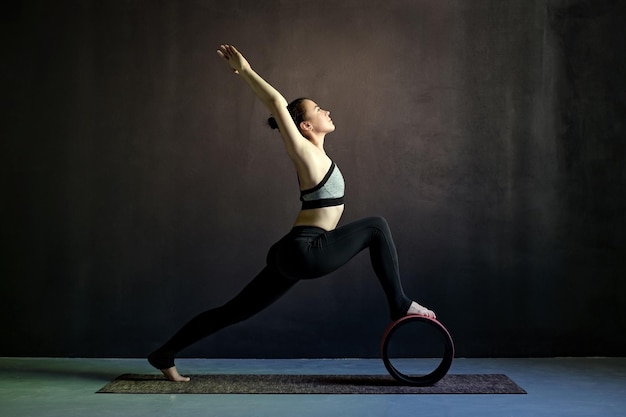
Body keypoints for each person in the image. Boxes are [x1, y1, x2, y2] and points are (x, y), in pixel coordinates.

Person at [147, 44, 436, 382]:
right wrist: (245, 71)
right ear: (304, 126)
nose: (325, 110)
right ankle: (399, 303)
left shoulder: (319, 156)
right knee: (376, 227)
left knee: (233, 311)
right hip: (305, 251)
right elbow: (275, 103)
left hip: (289, 252)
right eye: (317, 109)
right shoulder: (304, 153)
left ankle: (164, 353)